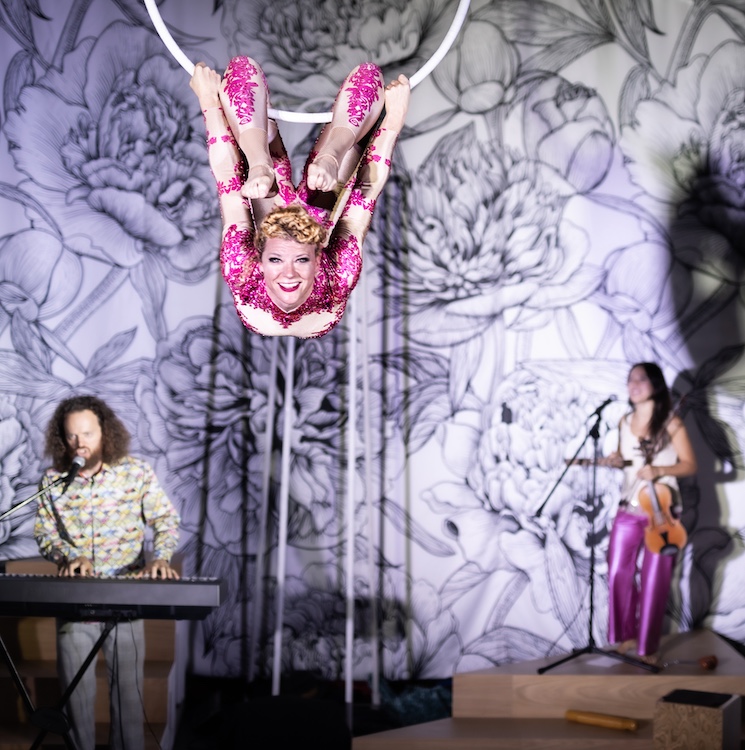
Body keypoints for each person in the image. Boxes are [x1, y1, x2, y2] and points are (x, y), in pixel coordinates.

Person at [189, 56, 411, 338]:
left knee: (244, 74)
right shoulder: (338, 276)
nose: (289, 275)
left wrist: (209, 103)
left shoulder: (241, 271)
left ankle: (261, 162)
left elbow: (228, 184)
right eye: (279, 260)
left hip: (270, 202)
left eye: (300, 260)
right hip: (316, 213)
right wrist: (394, 120)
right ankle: (329, 155)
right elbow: (364, 196)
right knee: (368, 80)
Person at [34, 395, 180, 750]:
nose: (80, 443)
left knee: (129, 700)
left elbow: (165, 520)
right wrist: (68, 555)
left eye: (87, 433)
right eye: (71, 436)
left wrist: (160, 557)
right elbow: (44, 533)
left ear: (105, 433)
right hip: (75, 600)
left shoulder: (136, 473)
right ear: (62, 439)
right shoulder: (53, 481)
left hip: (126, 598)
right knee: (76, 700)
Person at [606, 363, 697, 664]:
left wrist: (659, 469)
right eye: (630, 379)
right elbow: (629, 463)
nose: (633, 384)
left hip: (663, 511)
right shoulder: (624, 421)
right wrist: (617, 460)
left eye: (640, 379)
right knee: (619, 571)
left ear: (655, 385)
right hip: (630, 507)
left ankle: (648, 647)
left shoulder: (671, 423)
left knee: (654, 578)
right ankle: (627, 635)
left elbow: (689, 464)